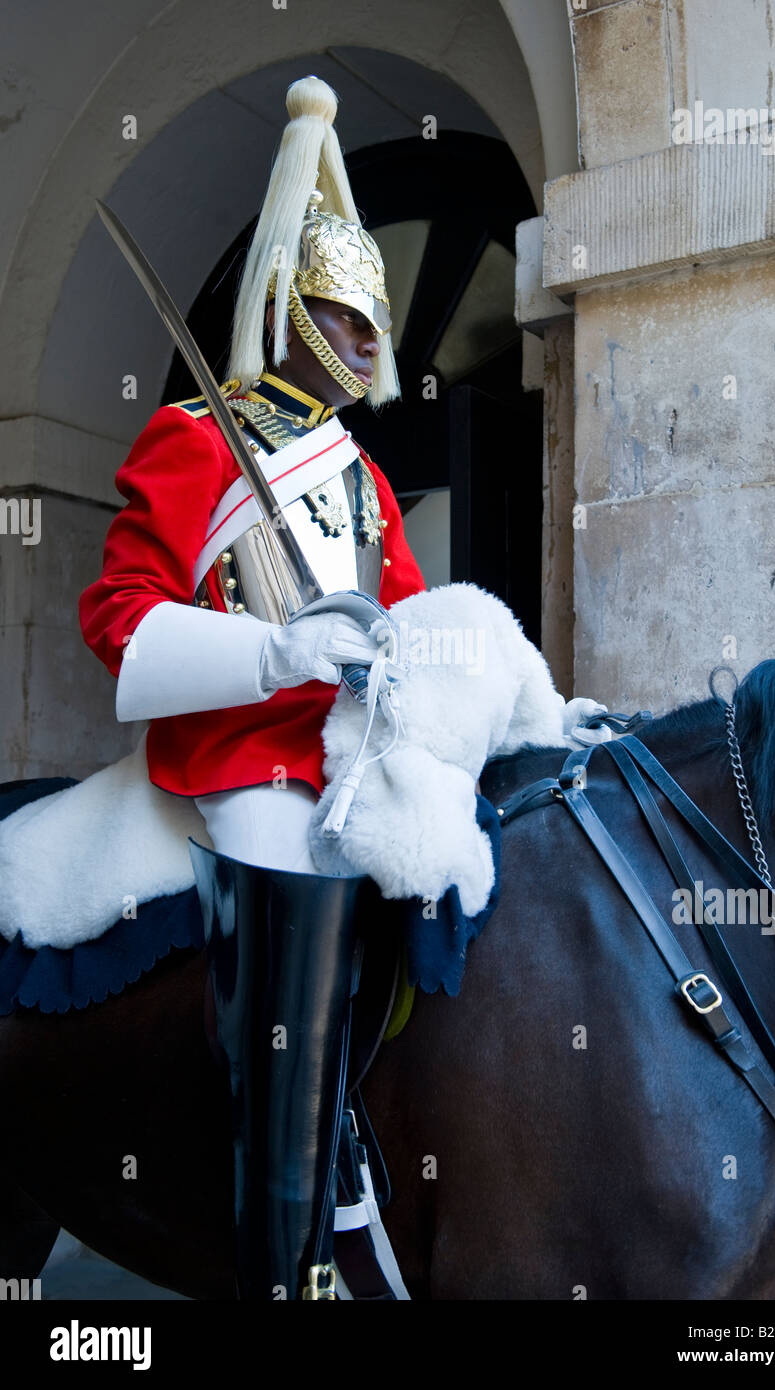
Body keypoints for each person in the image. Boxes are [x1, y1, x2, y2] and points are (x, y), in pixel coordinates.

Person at [79, 75, 425, 1300]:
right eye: (347, 320)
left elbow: (417, 617)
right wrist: (276, 656)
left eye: (377, 328)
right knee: (292, 883)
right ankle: (293, 1239)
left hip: (358, 747)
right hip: (248, 755)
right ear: (290, 313)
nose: (371, 349)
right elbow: (120, 626)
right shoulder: (193, 436)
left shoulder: (366, 482)